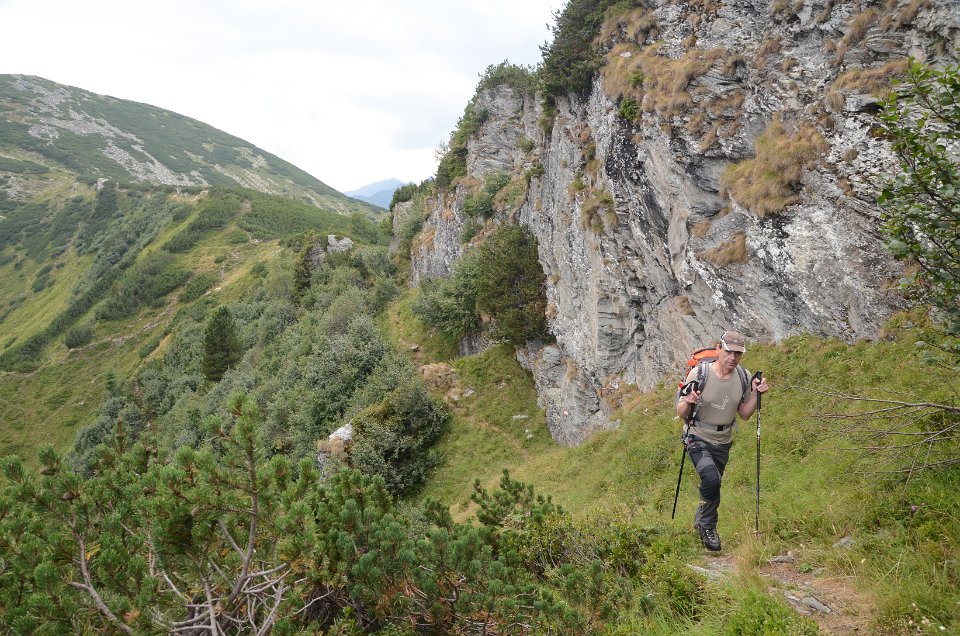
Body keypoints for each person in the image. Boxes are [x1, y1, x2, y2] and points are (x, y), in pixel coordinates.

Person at [675, 330, 768, 551]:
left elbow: (744, 414)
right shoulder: (699, 374)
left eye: (738, 353)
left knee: (713, 482)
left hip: (723, 440)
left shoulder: (743, 376)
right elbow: (680, 411)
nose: (733, 358)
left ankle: (700, 520)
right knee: (711, 478)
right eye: (728, 352)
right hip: (697, 435)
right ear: (719, 350)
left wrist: (756, 394)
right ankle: (708, 529)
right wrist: (688, 401)